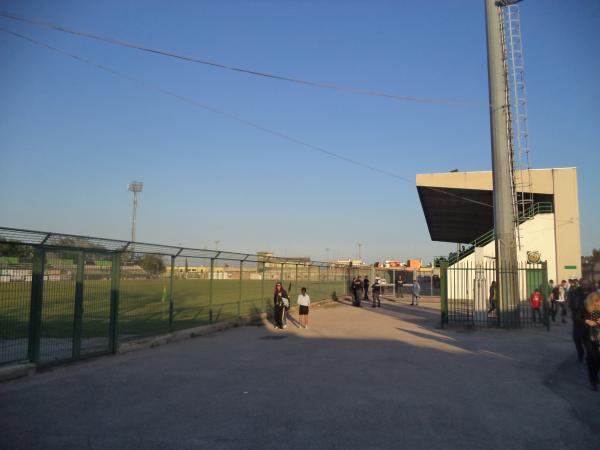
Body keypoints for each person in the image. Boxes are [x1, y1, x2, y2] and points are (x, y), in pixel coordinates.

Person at [569, 279, 591, 362]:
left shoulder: (592, 293)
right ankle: (580, 353)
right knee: (577, 339)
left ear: (589, 284)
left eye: (586, 283)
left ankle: (589, 356)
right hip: (578, 319)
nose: (585, 285)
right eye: (583, 283)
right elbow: (572, 305)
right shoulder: (574, 293)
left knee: (588, 341)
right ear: (580, 284)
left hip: (589, 319)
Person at [583, 292, 600, 391]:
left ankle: (595, 376)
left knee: (598, 359)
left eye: (599, 301)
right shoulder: (585, 310)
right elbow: (578, 320)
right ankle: (592, 380)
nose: (598, 304)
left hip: (599, 337)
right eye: (596, 302)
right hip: (588, 337)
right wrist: (586, 321)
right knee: (591, 358)